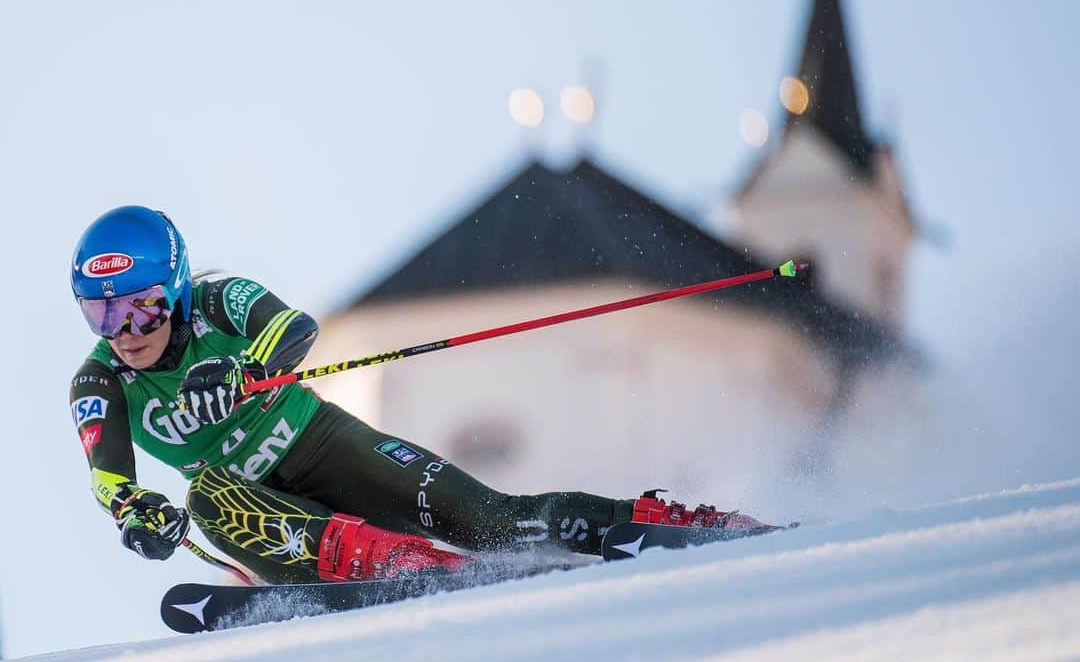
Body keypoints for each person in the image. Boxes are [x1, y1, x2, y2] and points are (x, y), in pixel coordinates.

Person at [69, 205, 766, 585]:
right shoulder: (98, 382)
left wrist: (244, 368)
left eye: (143, 307)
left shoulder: (218, 300)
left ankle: (665, 522)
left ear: (180, 288)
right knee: (205, 495)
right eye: (101, 314)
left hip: (321, 444)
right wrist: (137, 513)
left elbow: (293, 327)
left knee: (492, 516)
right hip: (260, 507)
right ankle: (397, 565)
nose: (126, 331)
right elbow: (110, 481)